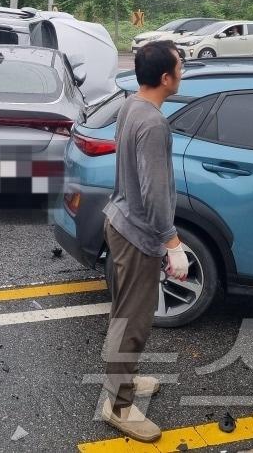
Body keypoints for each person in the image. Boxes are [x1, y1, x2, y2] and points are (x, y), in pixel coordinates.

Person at [99, 40, 188, 443]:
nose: (182, 73)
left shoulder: (131, 105)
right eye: (180, 67)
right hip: (136, 232)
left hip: (119, 221)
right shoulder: (152, 123)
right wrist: (170, 241)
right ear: (166, 78)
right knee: (132, 322)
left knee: (124, 313)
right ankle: (118, 404)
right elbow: (154, 192)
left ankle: (125, 380)